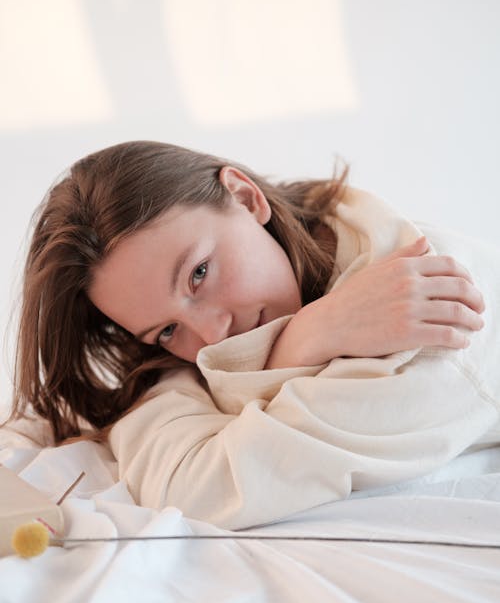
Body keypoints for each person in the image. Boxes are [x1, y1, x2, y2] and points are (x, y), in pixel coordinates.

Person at [5, 141, 500, 529]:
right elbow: (158, 417)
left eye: (198, 273)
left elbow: (200, 486)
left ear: (245, 197)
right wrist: (309, 337)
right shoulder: (288, 291)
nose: (212, 335)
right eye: (167, 331)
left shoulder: (436, 314)